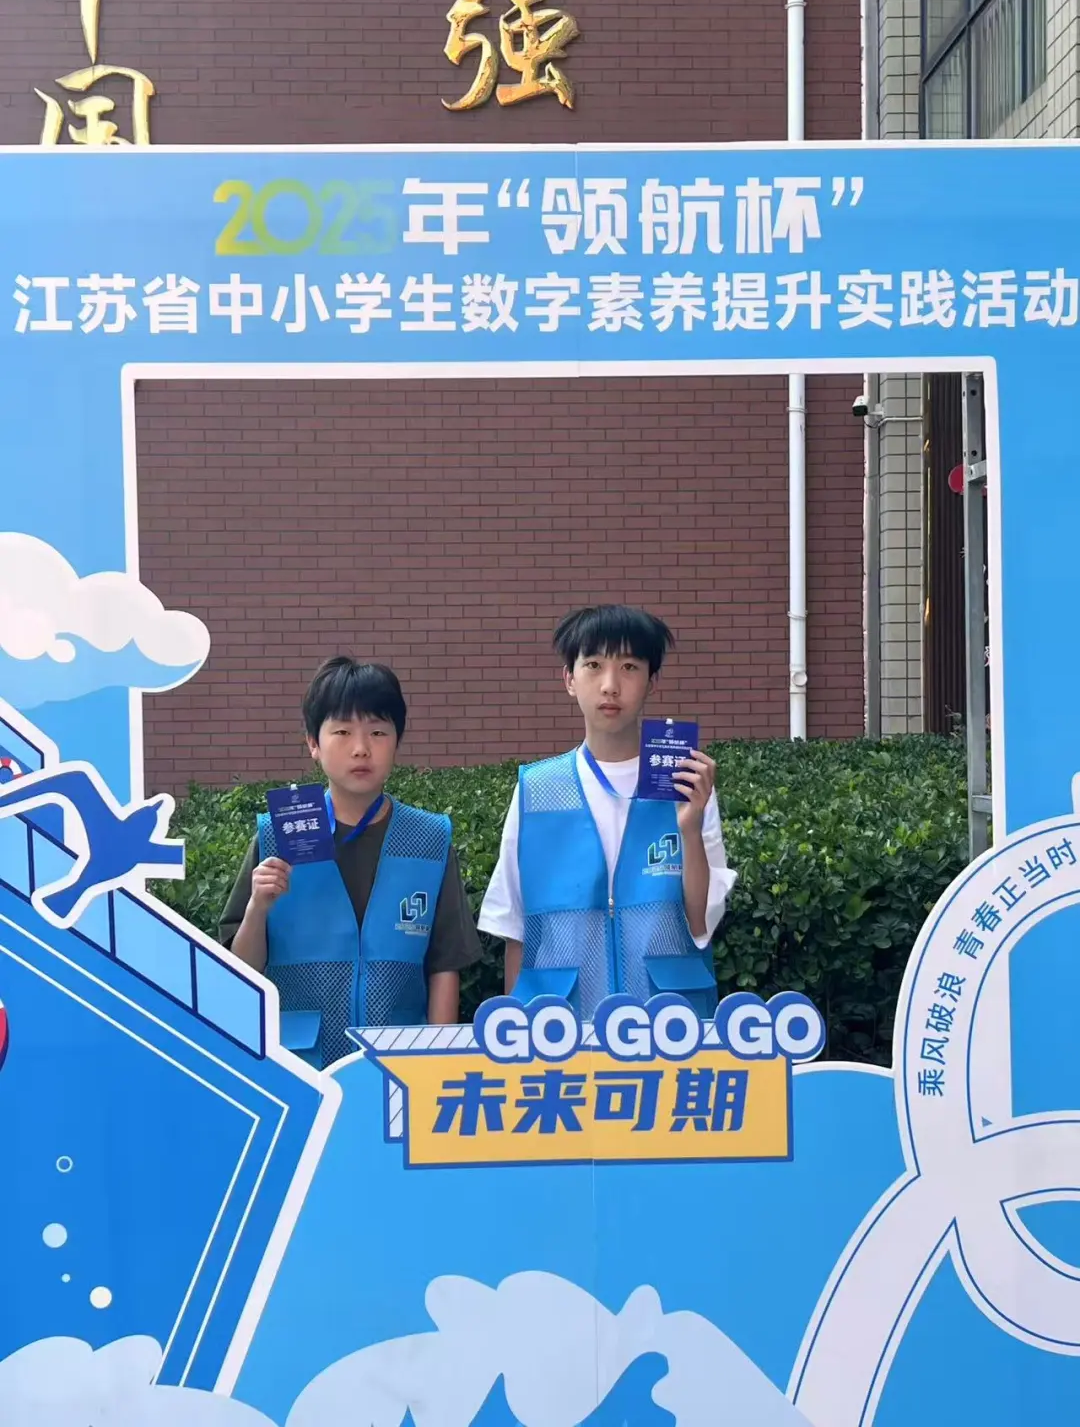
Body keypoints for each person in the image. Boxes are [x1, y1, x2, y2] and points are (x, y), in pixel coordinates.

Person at [220, 658, 482, 1069]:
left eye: (378, 732)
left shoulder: (429, 840)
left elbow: (444, 965)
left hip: (397, 1065)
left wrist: (436, 1063)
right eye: (342, 731)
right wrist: (258, 908)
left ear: (397, 741)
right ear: (313, 743)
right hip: (299, 1067)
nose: (361, 748)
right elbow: (241, 972)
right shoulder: (278, 836)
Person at [478, 605, 736, 1020]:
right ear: (569, 679)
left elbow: (701, 924)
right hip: (562, 1029)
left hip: (668, 1029)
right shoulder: (537, 790)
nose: (611, 685)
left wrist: (689, 830)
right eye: (594, 665)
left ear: (652, 682)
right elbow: (516, 930)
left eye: (629, 667)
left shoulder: (685, 784)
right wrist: (517, 1035)